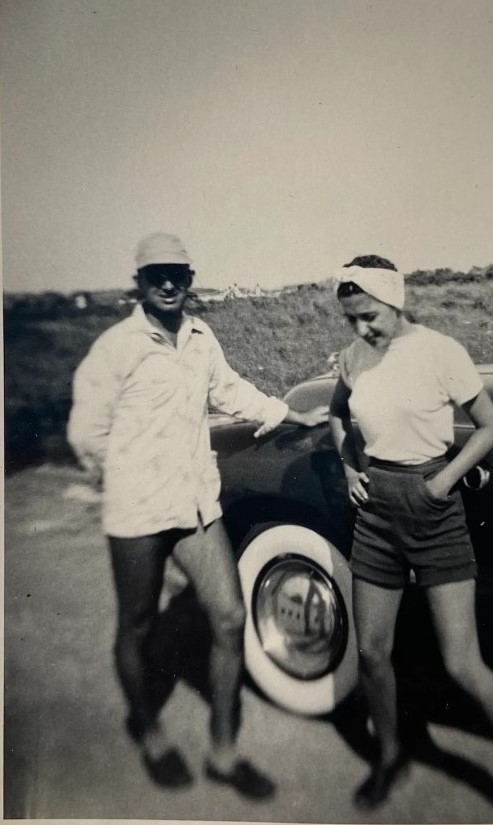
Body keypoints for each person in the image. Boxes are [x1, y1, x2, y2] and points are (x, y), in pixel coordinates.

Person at [67, 233, 327, 796]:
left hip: (194, 502)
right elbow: (86, 431)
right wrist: (122, 478)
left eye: (177, 273)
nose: (168, 283)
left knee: (230, 619)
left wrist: (289, 415)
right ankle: (149, 729)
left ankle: (224, 751)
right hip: (136, 508)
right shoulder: (117, 346)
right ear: (138, 281)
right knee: (137, 622)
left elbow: (229, 390)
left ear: (190, 278)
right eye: (156, 273)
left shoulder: (202, 338)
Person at [328, 255, 493, 817]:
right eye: (351, 319)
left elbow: (490, 426)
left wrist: (443, 482)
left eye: (369, 316)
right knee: (372, 653)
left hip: (434, 508)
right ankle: (389, 757)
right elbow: (338, 415)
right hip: (377, 510)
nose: (361, 329)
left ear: (395, 300)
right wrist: (350, 468)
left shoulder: (440, 351)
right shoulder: (354, 358)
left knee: (463, 664)